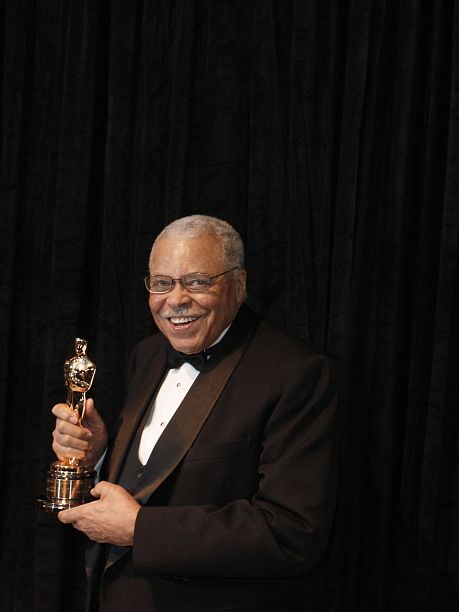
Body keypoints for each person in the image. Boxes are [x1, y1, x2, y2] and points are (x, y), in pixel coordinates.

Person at [52, 215, 338, 611]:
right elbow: (151, 475)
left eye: (198, 281)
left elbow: (291, 531)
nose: (176, 299)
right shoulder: (148, 354)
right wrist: (100, 454)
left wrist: (140, 529)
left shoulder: (296, 372)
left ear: (239, 285)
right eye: (162, 282)